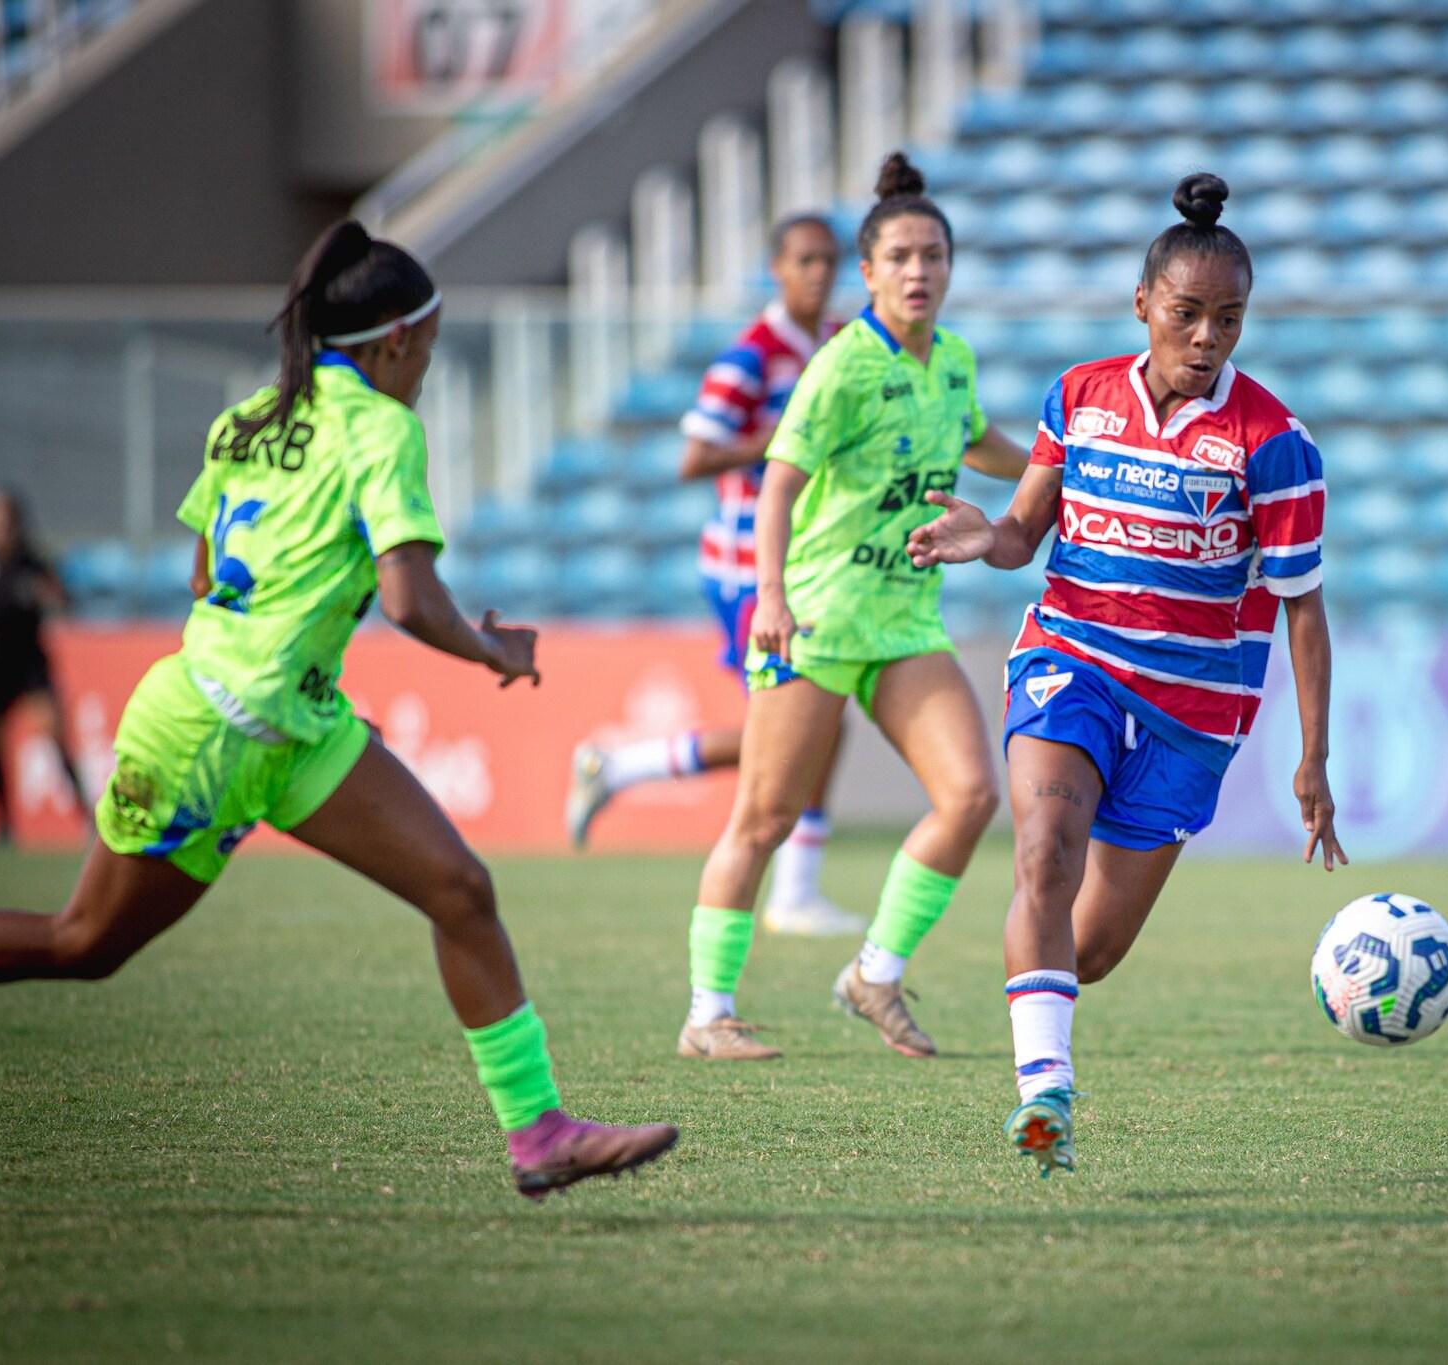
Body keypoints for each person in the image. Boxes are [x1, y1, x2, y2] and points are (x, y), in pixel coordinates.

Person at [0, 221, 676, 1199]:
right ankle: (541, 1133)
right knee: (83, 944)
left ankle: (540, 1134)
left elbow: (205, 574)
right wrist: (496, 652)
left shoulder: (247, 419)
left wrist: (301, 679)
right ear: (396, 341)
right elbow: (410, 601)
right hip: (215, 728)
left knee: (460, 889)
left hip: (284, 722)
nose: (425, 370)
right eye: (428, 348)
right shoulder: (383, 428)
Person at [905, 174, 1350, 1176]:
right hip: (1071, 663)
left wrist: (1312, 756)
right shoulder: (1078, 397)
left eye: (1228, 319)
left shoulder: (1275, 445)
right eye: (1186, 313)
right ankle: (1044, 1101)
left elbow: (1303, 608)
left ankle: (1040, 998)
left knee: (1091, 949)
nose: (1206, 337)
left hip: (1193, 716)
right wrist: (986, 536)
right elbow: (1023, 531)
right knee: (1043, 856)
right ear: (1143, 303)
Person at [674, 151, 1029, 1062]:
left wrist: (1055, 467)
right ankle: (707, 1013)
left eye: (934, 256)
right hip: (819, 616)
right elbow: (778, 484)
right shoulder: (839, 365)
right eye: (900, 257)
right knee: (763, 818)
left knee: (970, 795)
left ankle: (874, 973)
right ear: (867, 273)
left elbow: (979, 440)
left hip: (905, 619)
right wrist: (771, 596)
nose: (919, 271)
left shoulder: (953, 360)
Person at [565, 216, 865, 936]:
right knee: (796, 727)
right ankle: (624, 770)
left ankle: (792, 887)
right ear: (777, 268)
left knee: (821, 724)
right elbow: (694, 457)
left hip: (806, 562)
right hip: (746, 568)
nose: (819, 273)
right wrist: (779, 439)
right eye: (804, 260)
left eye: (828, 259)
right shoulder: (749, 357)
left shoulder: (837, 342)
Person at [0, 488, 86, 844]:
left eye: (2, 522)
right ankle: (4, 828)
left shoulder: (33, 564)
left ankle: (87, 818)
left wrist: (47, 594)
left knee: (55, 737)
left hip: (32, 664)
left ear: (16, 524)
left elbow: (64, 601)